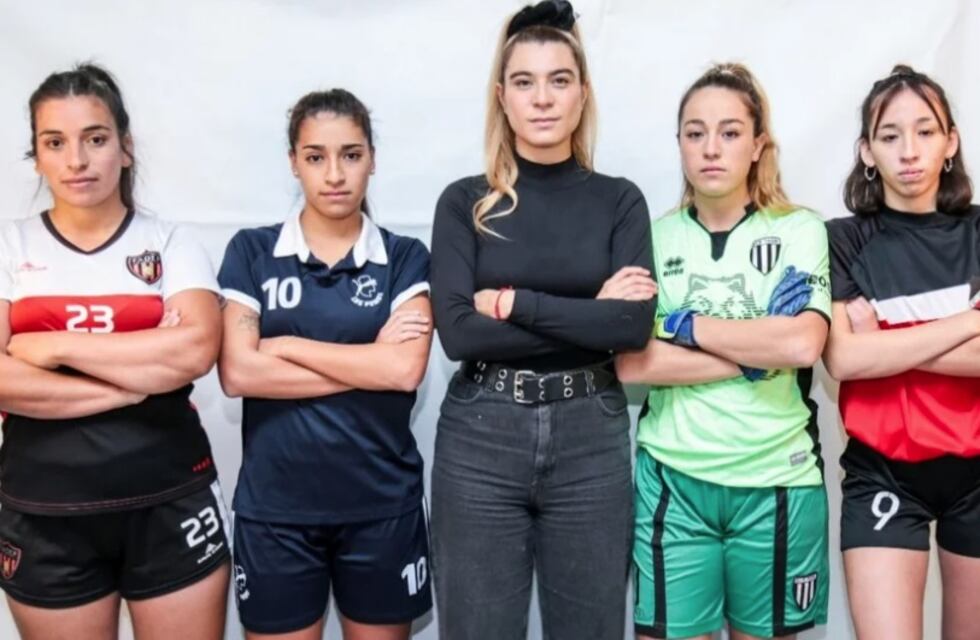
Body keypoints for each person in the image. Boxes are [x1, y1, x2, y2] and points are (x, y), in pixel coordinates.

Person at [429, 1, 655, 638]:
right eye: (524, 82)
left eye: (559, 80)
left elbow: (631, 330)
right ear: (501, 97)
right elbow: (459, 333)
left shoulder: (619, 199)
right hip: (480, 436)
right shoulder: (465, 202)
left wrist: (514, 302)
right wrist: (591, 311)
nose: (543, 99)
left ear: (583, 93)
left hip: (592, 438)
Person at [0, 63, 229, 639]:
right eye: (55, 143)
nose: (76, 160)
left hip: (169, 500)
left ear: (125, 149)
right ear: (38, 156)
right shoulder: (9, 246)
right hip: (43, 512)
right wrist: (135, 377)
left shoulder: (171, 241)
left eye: (95, 139)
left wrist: (47, 345)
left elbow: (196, 350)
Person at [617, 63, 831, 640]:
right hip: (673, 481)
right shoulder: (651, 237)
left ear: (759, 143)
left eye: (731, 132)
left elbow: (804, 342)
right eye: (695, 132)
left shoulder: (802, 229)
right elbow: (635, 363)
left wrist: (684, 324)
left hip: (776, 480)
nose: (711, 148)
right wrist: (757, 347)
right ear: (680, 143)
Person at [217, 88, 433, 640]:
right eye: (315, 157)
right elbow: (239, 373)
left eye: (351, 154)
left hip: (381, 507)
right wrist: (369, 358)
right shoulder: (251, 252)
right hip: (276, 513)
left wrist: (284, 344)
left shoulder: (405, 257)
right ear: (294, 162)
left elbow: (403, 372)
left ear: (373, 159)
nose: (334, 174)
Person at [824, 65, 980, 640]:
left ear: (951, 142)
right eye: (890, 136)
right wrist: (966, 322)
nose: (908, 151)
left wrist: (884, 332)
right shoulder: (842, 238)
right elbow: (843, 360)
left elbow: (867, 351)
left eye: (925, 131)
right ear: (868, 150)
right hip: (882, 473)